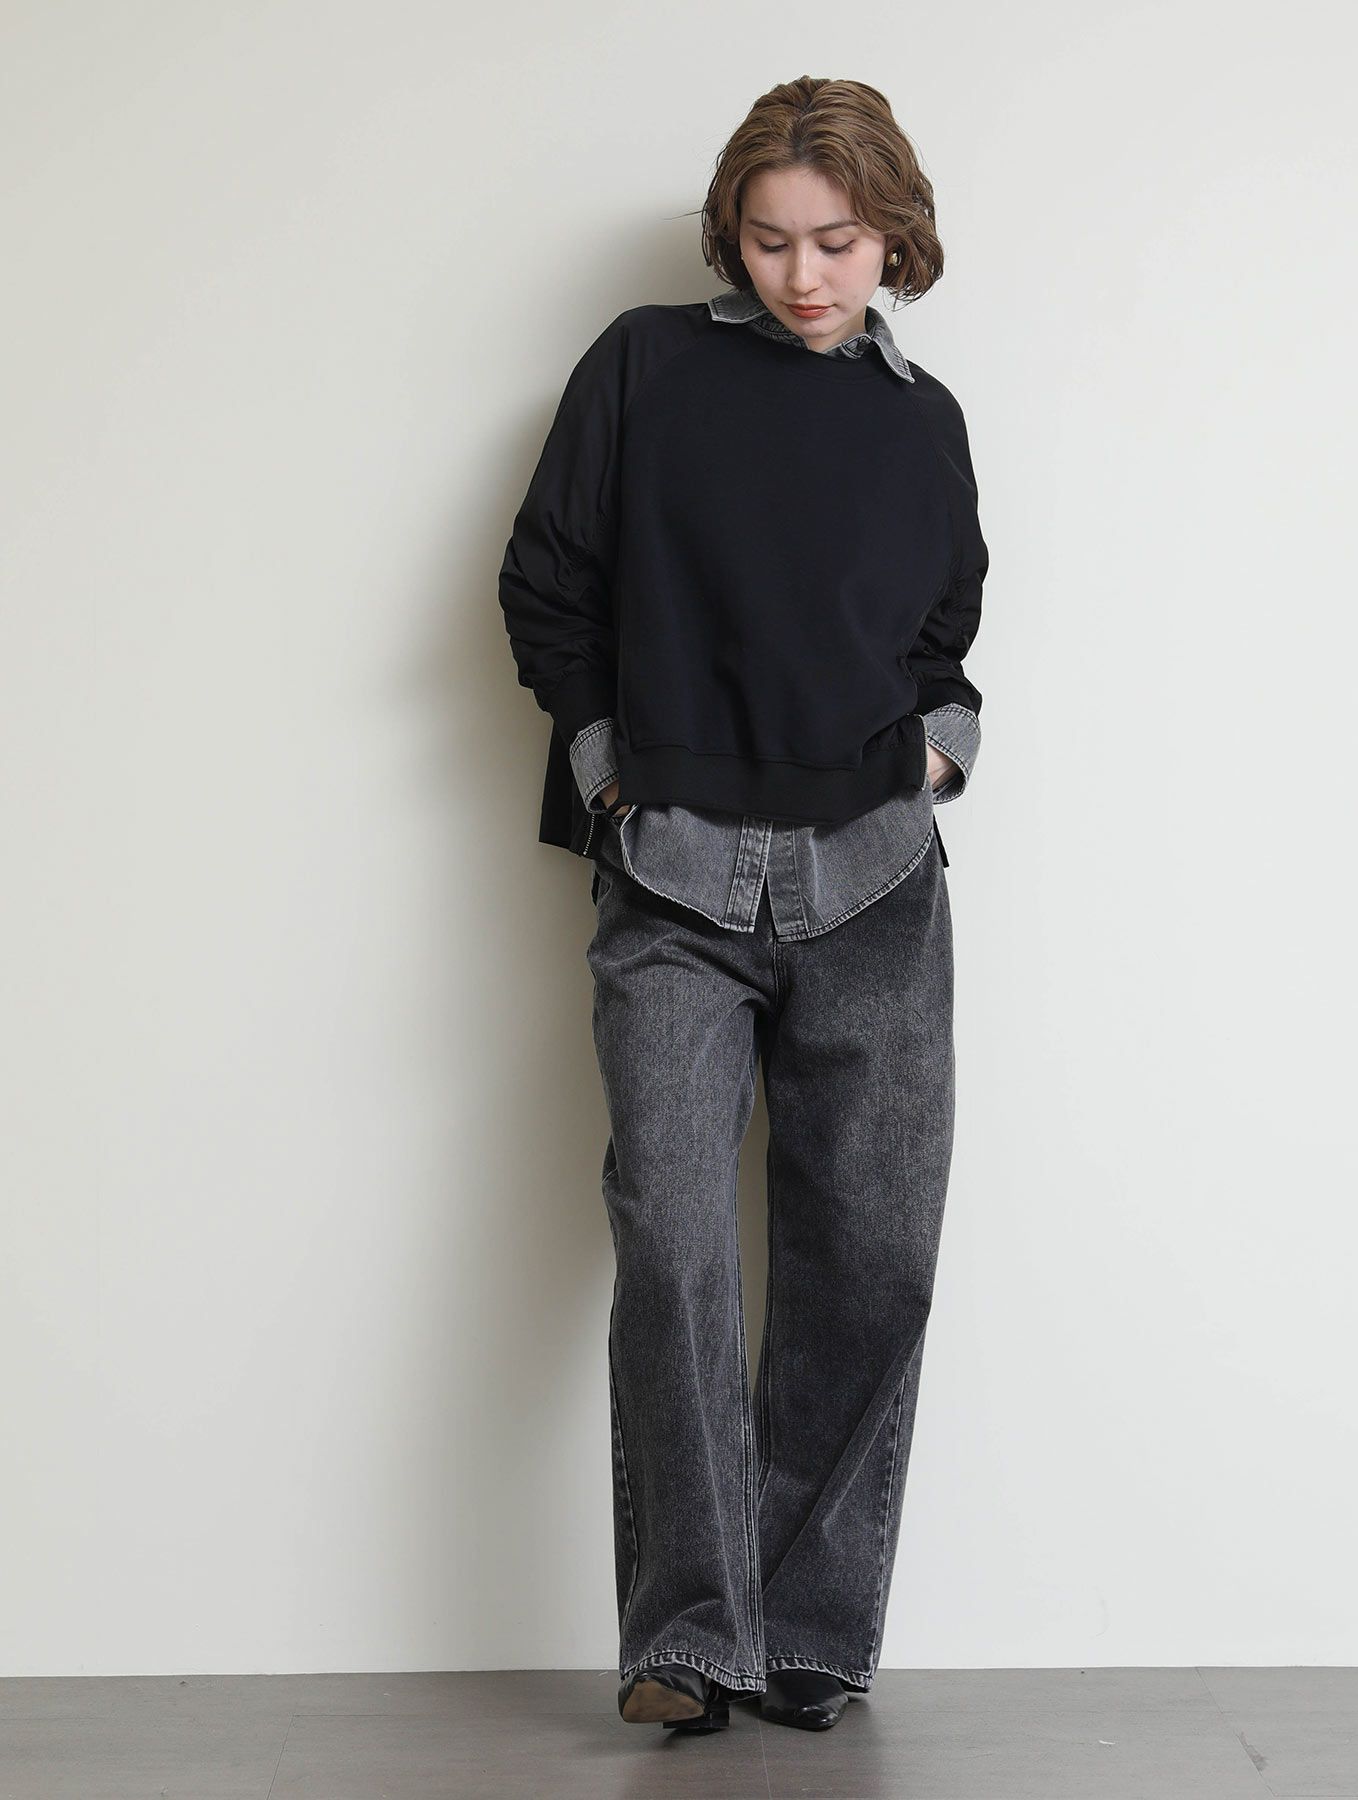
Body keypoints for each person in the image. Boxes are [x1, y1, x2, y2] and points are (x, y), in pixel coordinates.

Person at [498, 75, 988, 1737]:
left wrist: (939, 754)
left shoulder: (924, 422)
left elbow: (944, 635)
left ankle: (812, 1633)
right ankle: (690, 1636)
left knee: (873, 1259)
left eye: (838, 241)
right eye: (771, 241)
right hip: (674, 880)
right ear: (731, 238)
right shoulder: (645, 368)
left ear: (893, 235)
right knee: (674, 1240)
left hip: (875, 883)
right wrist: (609, 773)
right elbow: (546, 580)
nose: (804, 275)